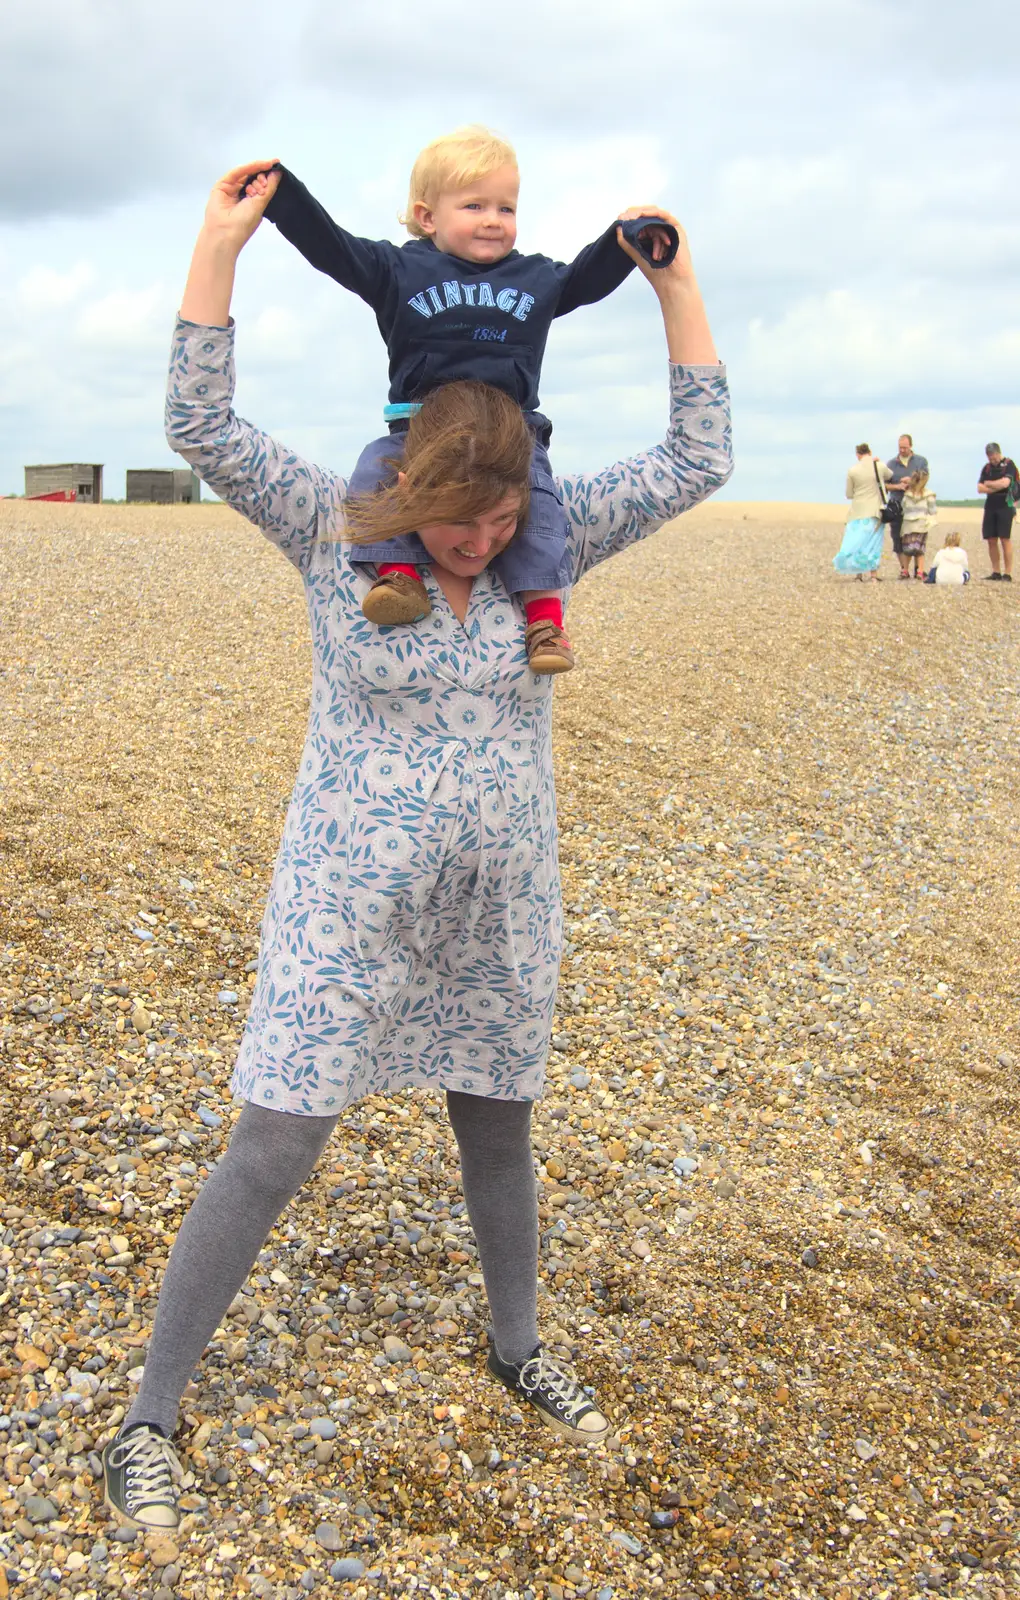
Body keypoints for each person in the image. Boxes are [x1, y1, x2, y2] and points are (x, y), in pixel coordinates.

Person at [100, 159, 732, 1532]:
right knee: (271, 1145)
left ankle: (518, 1346)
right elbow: (201, 422)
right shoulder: (336, 532)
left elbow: (697, 462)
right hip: (347, 905)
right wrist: (221, 249)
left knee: (499, 1130)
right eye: (457, 520)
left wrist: (676, 286)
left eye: (504, 521)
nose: (479, 542)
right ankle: (148, 1413)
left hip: (498, 910)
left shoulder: (535, 547)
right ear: (408, 485)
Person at [253, 127, 680, 675]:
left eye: (506, 207)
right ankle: (398, 575)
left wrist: (631, 237)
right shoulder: (399, 272)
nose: (493, 219)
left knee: (539, 506)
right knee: (371, 476)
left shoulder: (535, 278)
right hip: (416, 429)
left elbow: (586, 278)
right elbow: (333, 250)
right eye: (474, 204)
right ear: (427, 216)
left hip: (513, 436)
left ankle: (545, 619)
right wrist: (284, 197)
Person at [834, 442, 891, 579]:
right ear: (870, 452)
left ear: (857, 455)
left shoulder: (852, 470)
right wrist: (878, 461)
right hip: (874, 510)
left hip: (857, 511)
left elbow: (849, 494)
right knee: (873, 543)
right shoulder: (879, 466)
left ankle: (858, 574)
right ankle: (873, 575)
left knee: (858, 541)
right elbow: (889, 475)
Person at [886, 433, 929, 579]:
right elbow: (884, 485)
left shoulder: (921, 461)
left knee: (917, 537)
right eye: (900, 447)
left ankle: (919, 569)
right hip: (897, 505)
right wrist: (898, 486)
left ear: (910, 446)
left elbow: (925, 479)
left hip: (916, 505)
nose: (902, 450)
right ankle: (904, 570)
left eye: (904, 447)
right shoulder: (891, 464)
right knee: (898, 537)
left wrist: (911, 481)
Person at [977, 442, 1018, 581]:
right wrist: (994, 486)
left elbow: (1005, 483)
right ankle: (996, 571)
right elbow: (980, 488)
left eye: (994, 457)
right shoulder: (987, 468)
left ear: (998, 453)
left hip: (1005, 504)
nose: (992, 460)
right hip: (990, 505)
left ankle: (1007, 573)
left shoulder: (1009, 464)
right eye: (990, 458)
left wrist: (989, 484)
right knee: (991, 539)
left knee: (1005, 539)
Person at [899, 468, 937, 578]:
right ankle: (920, 571)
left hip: (908, 525)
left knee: (907, 550)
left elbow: (903, 507)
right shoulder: (928, 495)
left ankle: (905, 571)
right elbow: (932, 510)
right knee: (920, 550)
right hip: (921, 525)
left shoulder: (907, 494)